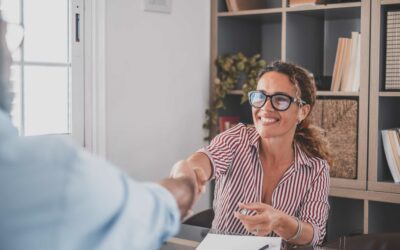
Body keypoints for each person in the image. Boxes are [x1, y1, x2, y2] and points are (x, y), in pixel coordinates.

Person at [0, 14, 200, 250]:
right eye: (6, 42)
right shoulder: (52, 169)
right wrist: (187, 180)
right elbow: (160, 205)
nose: (12, 57)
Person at [171, 61, 332, 246]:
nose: (265, 107)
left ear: (302, 111)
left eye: (280, 99)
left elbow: (314, 235)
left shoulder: (316, 169)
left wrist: (279, 220)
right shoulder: (236, 139)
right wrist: (187, 172)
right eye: (260, 96)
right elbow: (204, 160)